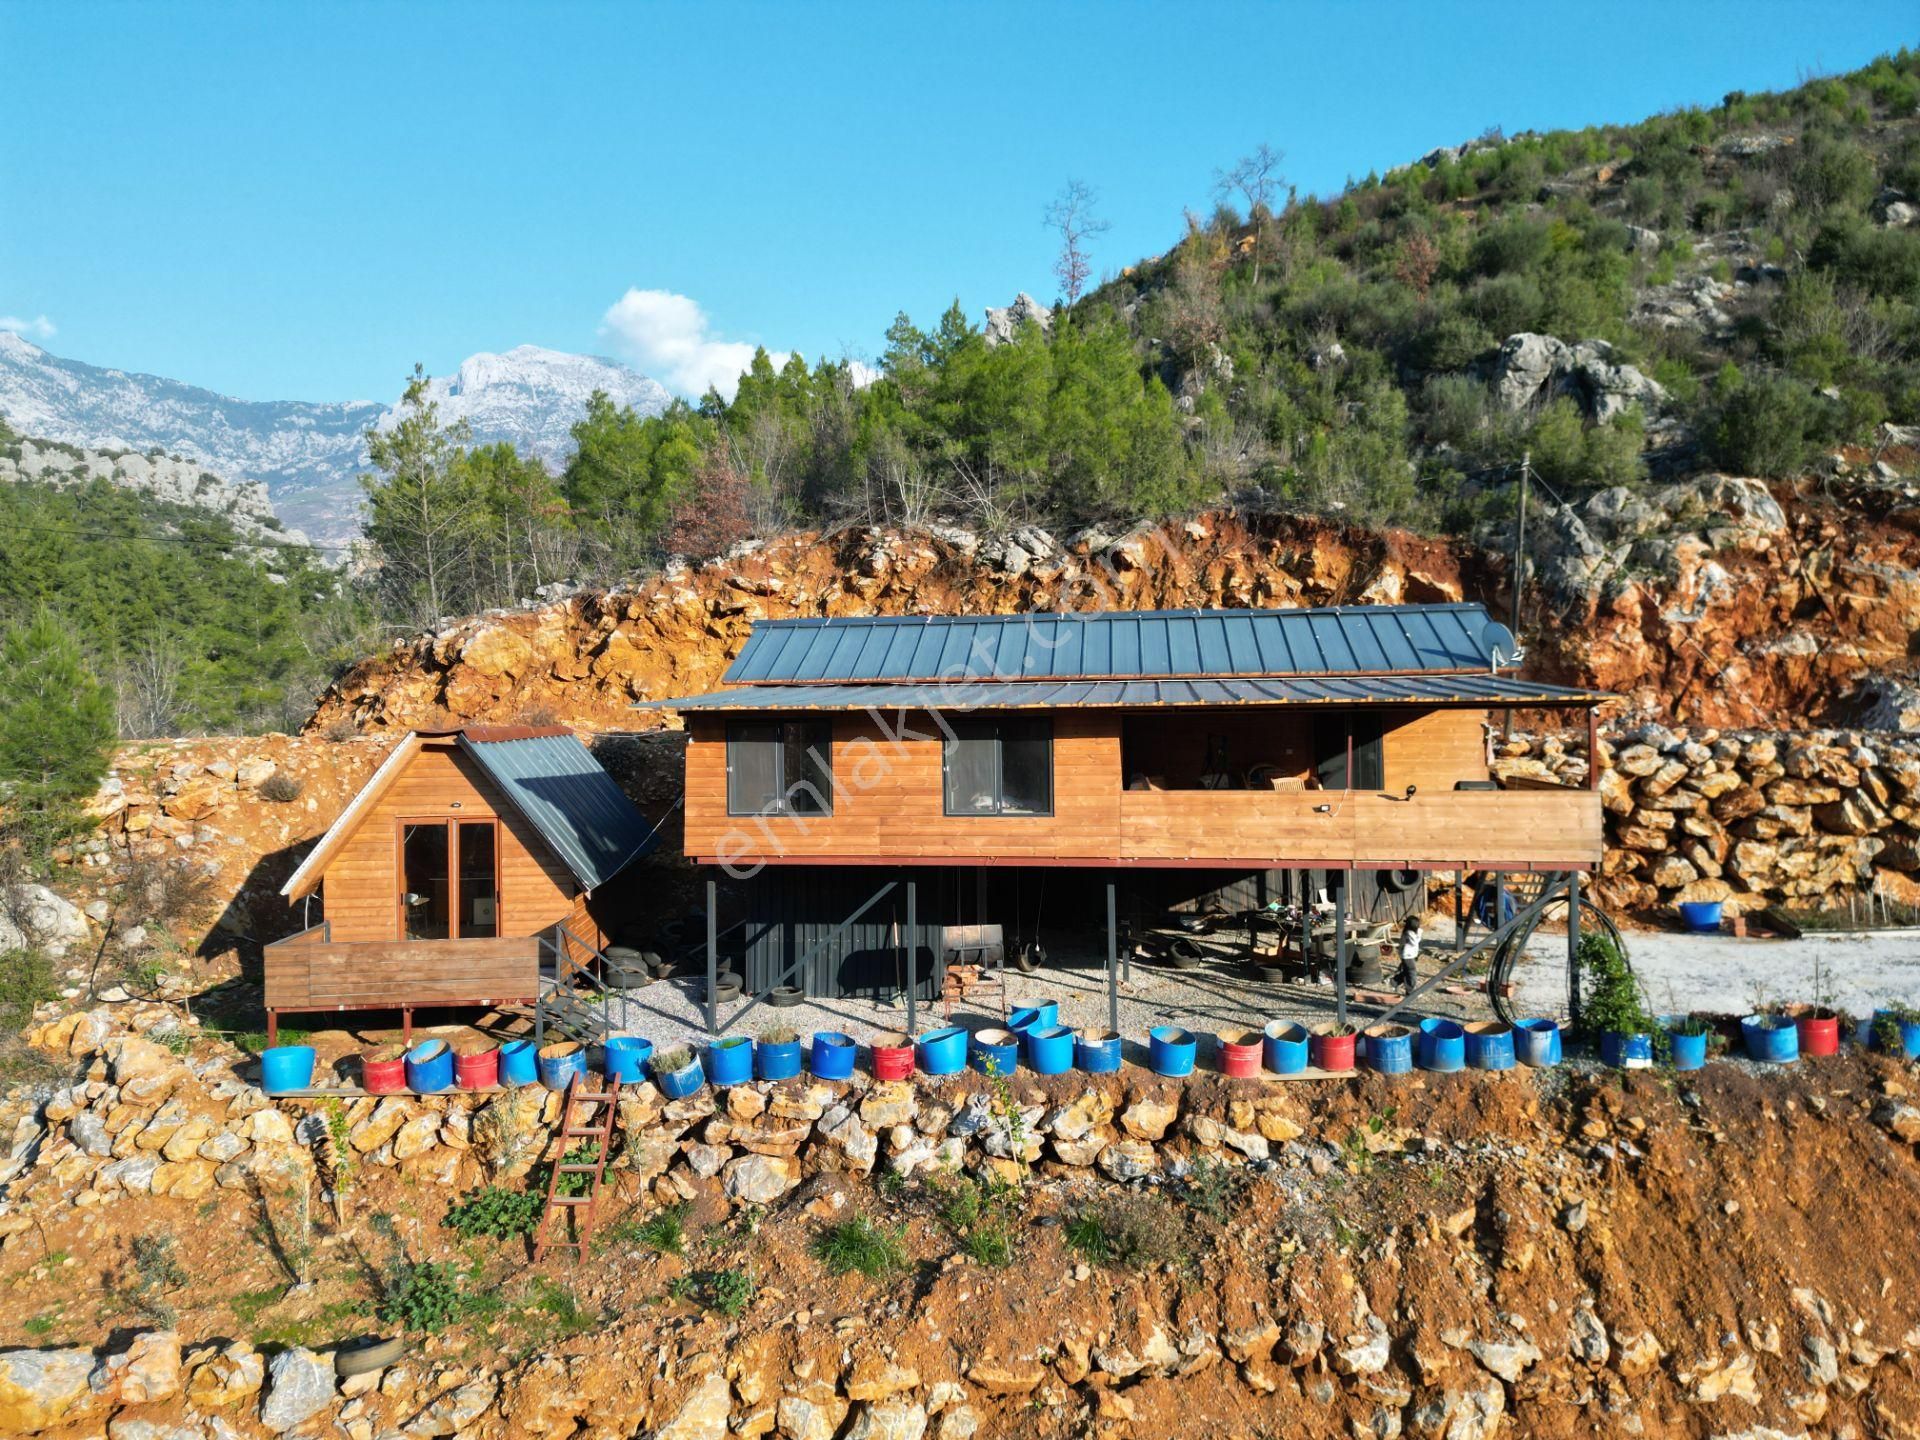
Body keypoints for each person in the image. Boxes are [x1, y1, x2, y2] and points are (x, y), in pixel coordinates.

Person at [1397, 914, 1422, 994]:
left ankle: (1394, 981)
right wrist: (1419, 933)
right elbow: (1415, 942)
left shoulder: (1408, 932)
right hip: (1407, 956)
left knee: (1407, 971)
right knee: (1412, 972)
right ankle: (1410, 991)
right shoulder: (1409, 933)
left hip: (1408, 955)